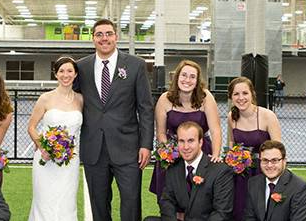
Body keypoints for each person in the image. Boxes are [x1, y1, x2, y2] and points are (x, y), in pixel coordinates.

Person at [75, 18, 154, 221]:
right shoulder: (81, 67)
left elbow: (145, 108)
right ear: (93, 39)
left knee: (131, 204)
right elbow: (71, 99)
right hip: (94, 149)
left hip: (128, 149)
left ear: (116, 37)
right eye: (99, 34)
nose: (104, 38)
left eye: (108, 33)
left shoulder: (136, 65)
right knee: (99, 206)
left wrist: (146, 145)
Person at [149, 60, 222, 201]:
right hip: (172, 154)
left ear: (197, 80)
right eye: (184, 75)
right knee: (170, 201)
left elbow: (216, 130)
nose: (187, 80)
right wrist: (169, 153)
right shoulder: (164, 99)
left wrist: (215, 155)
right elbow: (161, 133)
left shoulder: (206, 97)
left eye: (192, 77)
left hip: (201, 152)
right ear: (177, 77)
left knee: (201, 200)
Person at [27, 57, 83, 221]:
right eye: (61, 71)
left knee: (67, 201)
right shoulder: (45, 98)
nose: (66, 75)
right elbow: (31, 127)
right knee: (44, 201)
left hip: (69, 161)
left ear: (75, 74)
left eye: (69, 71)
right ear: (56, 74)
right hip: (46, 160)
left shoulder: (81, 99)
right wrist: (43, 147)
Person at [227, 77, 282, 221]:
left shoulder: (268, 116)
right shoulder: (231, 117)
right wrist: (234, 162)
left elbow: (279, 151)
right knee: (239, 211)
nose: (241, 98)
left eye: (245, 93)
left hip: (264, 172)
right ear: (231, 97)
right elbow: (232, 144)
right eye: (236, 94)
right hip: (240, 174)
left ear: (252, 94)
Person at [156, 121, 233, 221]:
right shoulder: (173, 169)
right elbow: (166, 201)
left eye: (191, 141)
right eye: (181, 141)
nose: (186, 147)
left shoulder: (220, 170)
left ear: (200, 142)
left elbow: (222, 212)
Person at [243, 140, 306, 221]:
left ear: (284, 161)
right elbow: (249, 217)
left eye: (274, 160)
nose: (269, 165)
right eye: (265, 160)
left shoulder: (301, 188)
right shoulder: (253, 183)